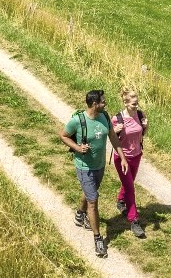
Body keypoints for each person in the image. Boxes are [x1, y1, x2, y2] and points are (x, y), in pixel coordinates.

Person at [60, 89, 125, 258]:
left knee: (91, 193)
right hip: (84, 166)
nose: (106, 103)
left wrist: (123, 157)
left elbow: (113, 137)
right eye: (103, 101)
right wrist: (77, 148)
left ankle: (80, 215)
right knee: (93, 200)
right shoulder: (78, 120)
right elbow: (64, 136)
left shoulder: (104, 117)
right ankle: (98, 239)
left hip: (100, 165)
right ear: (95, 104)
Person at [111, 87, 148, 239]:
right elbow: (113, 140)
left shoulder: (140, 115)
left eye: (137, 103)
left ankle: (120, 201)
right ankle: (134, 220)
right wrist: (116, 131)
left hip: (137, 155)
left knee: (129, 182)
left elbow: (142, 134)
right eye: (133, 104)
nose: (136, 106)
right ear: (125, 102)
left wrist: (146, 126)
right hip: (122, 158)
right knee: (130, 188)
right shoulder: (117, 119)